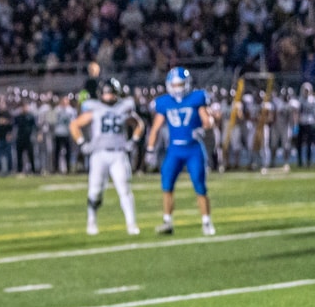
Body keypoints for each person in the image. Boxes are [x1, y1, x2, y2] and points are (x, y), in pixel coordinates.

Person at [145, 68, 216, 236]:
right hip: (174, 149)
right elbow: (155, 128)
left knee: (200, 186)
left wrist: (202, 129)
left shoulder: (196, 98)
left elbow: (208, 121)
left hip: (193, 148)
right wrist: (149, 149)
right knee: (166, 185)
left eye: (181, 84)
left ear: (187, 84)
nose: (177, 88)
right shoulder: (164, 102)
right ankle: (167, 221)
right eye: (175, 84)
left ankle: (206, 221)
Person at [69, 78, 144, 236]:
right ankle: (91, 220)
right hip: (99, 154)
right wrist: (82, 143)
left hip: (118, 153)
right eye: (106, 93)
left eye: (111, 92)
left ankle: (131, 223)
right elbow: (74, 125)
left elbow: (139, 124)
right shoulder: (94, 108)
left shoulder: (124, 107)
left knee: (124, 188)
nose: (109, 96)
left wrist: (133, 141)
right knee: (95, 191)